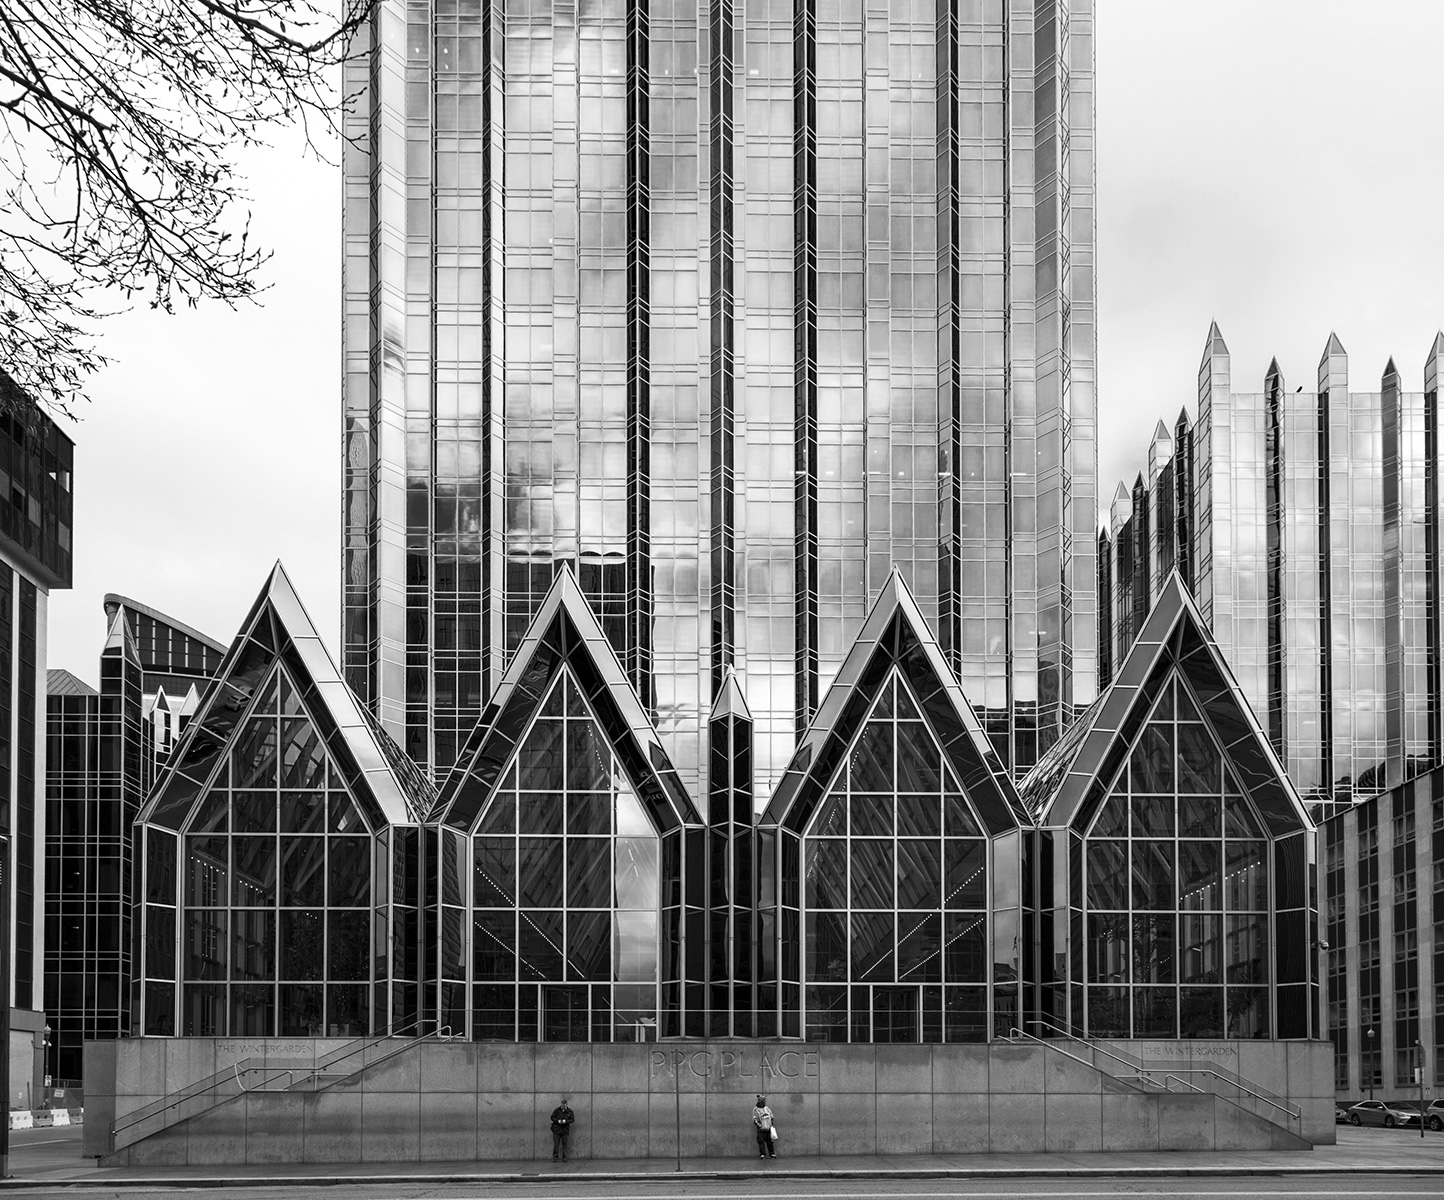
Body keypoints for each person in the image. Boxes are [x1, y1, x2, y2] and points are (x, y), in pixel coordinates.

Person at [550, 1096, 575, 1161]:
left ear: (566, 1105)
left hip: (565, 1130)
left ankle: (565, 1157)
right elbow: (552, 1117)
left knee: (565, 1144)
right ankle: (555, 1157)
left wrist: (566, 1121)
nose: (562, 1107)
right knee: (556, 1144)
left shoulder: (570, 1111)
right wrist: (557, 1121)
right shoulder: (557, 1110)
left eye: (564, 1106)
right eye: (561, 1106)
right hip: (557, 1129)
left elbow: (572, 1120)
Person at [751, 1094, 776, 1158]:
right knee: (761, 1142)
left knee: (770, 1142)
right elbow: (755, 1119)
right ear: (760, 1101)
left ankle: (772, 1153)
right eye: (763, 1101)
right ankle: (762, 1154)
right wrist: (759, 1125)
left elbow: (771, 1115)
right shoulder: (756, 1109)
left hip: (768, 1128)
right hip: (761, 1130)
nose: (764, 1102)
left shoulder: (767, 1108)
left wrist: (771, 1122)